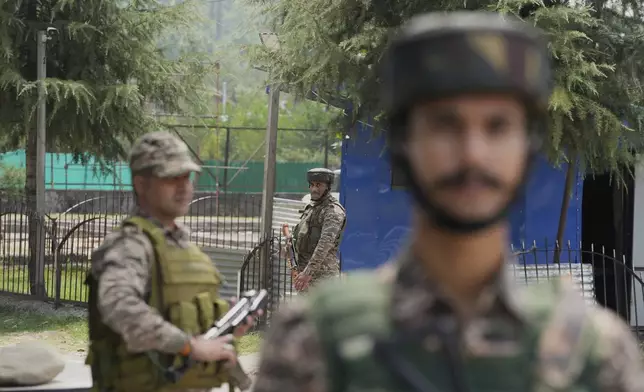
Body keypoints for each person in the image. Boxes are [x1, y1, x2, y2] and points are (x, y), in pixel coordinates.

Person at [253, 11, 644, 392]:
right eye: (445, 125)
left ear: (527, 150)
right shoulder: (315, 342)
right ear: (404, 146)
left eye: (498, 127)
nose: (472, 153)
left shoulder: (593, 352)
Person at [85, 131, 256, 392]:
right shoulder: (132, 244)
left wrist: (226, 325)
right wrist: (191, 346)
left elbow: (179, 317)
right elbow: (119, 306)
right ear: (141, 184)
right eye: (170, 178)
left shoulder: (182, 247)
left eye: (187, 177)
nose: (183, 186)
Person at [291, 168, 347, 291]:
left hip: (322, 278)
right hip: (304, 275)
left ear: (328, 187)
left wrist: (307, 273)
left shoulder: (332, 211)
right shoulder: (312, 208)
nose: (314, 189)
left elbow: (324, 245)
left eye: (319, 185)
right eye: (312, 185)